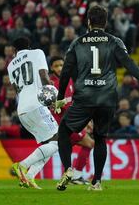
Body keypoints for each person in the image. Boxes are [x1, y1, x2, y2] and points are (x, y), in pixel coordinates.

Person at [55, 5, 139, 191]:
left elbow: (65, 71)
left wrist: (60, 97)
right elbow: (129, 64)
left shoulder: (77, 43)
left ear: (88, 21)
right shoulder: (114, 41)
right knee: (100, 137)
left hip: (84, 97)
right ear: (106, 22)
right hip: (107, 98)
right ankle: (97, 182)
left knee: (63, 132)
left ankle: (69, 169)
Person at [7, 37, 58, 189]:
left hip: (22, 109)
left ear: (14, 50)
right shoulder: (37, 53)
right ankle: (22, 166)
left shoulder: (10, 66)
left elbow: (16, 90)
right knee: (59, 140)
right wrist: (54, 98)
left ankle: (29, 177)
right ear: (29, 46)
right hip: (37, 104)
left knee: (48, 144)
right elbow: (43, 76)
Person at [49, 56, 94, 185]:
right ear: (51, 68)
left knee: (66, 148)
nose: (59, 68)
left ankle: (71, 175)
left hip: (71, 120)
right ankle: (75, 175)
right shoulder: (51, 84)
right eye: (56, 65)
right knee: (89, 144)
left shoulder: (68, 80)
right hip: (62, 123)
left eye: (61, 65)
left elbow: (73, 101)